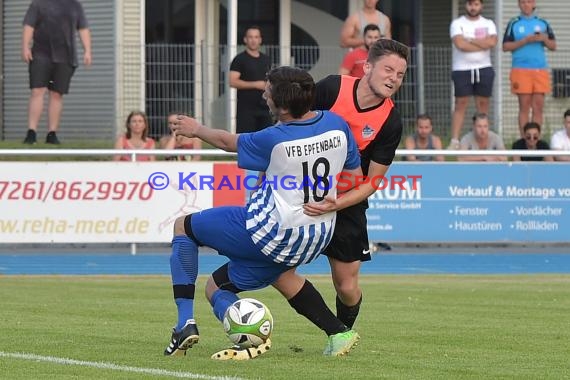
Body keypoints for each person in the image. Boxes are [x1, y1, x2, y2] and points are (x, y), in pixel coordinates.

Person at [164, 66, 363, 359]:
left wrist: (196, 129)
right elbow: (355, 175)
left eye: (267, 91)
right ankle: (337, 332)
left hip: (271, 232)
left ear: (282, 105)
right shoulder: (337, 124)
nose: (263, 94)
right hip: (315, 236)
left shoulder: (274, 137)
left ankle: (184, 323)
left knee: (183, 226)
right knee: (217, 286)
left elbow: (226, 142)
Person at [275, 39, 410, 333]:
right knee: (278, 269)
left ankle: (344, 331)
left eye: (400, 75)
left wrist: (338, 203)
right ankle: (335, 333)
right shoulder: (332, 88)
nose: (394, 78)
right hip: (303, 194)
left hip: (346, 204)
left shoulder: (391, 121)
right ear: (367, 66)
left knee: (347, 286)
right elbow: (292, 123)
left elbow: (373, 181)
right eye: (388, 69)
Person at [21, 0, 92, 145]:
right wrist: (25, 47)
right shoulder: (38, 4)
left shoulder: (75, 5)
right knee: (37, 91)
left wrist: (87, 50)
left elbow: (83, 28)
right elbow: (29, 25)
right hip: (41, 54)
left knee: (56, 94)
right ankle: (31, 132)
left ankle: (52, 133)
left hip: (65, 56)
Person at [502, 0, 556, 137]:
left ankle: (535, 140)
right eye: (523, 2)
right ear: (519, 4)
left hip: (540, 69)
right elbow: (505, 47)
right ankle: (524, 142)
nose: (526, 5)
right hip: (521, 69)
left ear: (534, 4)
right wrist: (524, 41)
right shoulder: (514, 23)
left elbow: (553, 46)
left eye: (529, 2)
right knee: (524, 107)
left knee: (538, 107)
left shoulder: (543, 22)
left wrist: (544, 39)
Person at [448, 0, 497, 149]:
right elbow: (460, 45)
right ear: (466, 5)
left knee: (483, 105)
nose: (473, 7)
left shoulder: (488, 23)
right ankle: (455, 140)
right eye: (470, 4)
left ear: (481, 5)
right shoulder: (457, 23)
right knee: (460, 104)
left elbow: (492, 42)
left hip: (484, 67)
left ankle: (482, 137)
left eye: (476, 4)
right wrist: (482, 43)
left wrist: (470, 39)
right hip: (462, 68)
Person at [229, 25, 273, 134]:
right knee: (245, 141)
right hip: (246, 110)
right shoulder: (239, 59)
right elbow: (232, 81)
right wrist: (256, 84)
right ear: (245, 39)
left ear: (260, 40)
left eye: (256, 37)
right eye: (250, 37)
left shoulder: (266, 59)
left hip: (265, 108)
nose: (253, 40)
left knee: (265, 140)